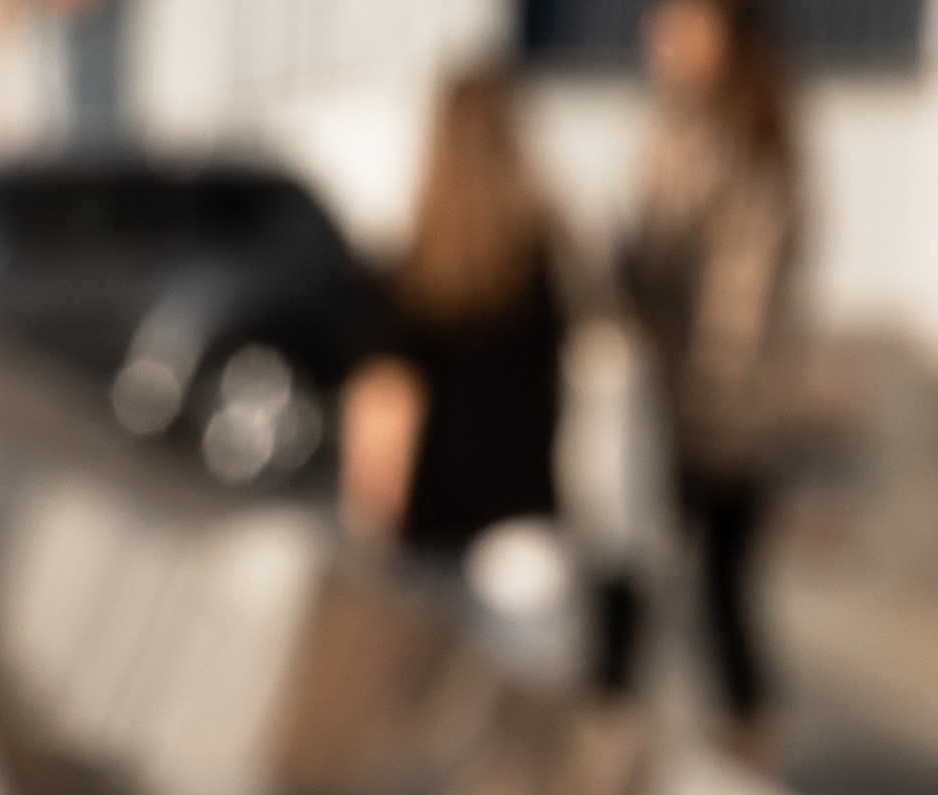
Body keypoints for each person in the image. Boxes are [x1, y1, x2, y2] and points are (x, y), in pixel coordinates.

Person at [608, 0, 801, 748]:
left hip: (711, 419)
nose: (660, 36)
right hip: (669, 406)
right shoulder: (672, 130)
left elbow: (738, 314)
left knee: (706, 606)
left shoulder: (748, 145)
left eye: (682, 23)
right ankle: (610, 776)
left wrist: (693, 416)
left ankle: (744, 781)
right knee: (641, 607)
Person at [339, 67, 568, 574]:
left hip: (436, 536)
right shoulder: (547, 261)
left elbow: (385, 410)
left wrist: (370, 523)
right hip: (528, 533)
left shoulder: (411, 274)